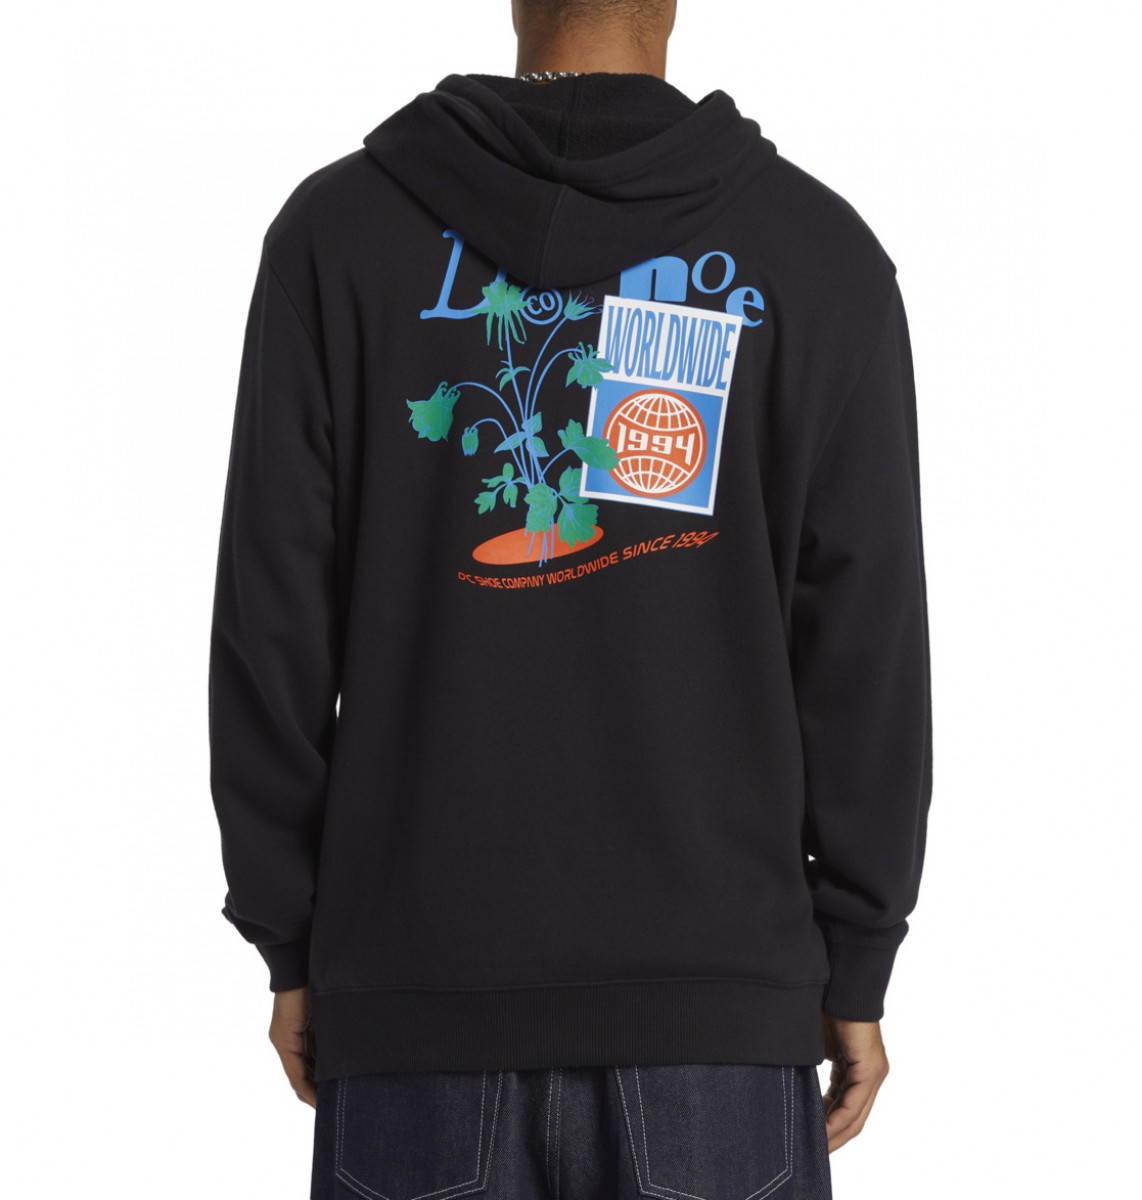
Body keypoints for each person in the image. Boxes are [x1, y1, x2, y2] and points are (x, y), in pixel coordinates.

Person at [207, 0, 933, 1195]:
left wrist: (290, 935)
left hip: (413, 1001)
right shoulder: (815, 252)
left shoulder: (336, 235)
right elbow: (866, 649)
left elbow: (270, 619)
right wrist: (856, 956)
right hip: (716, 1018)